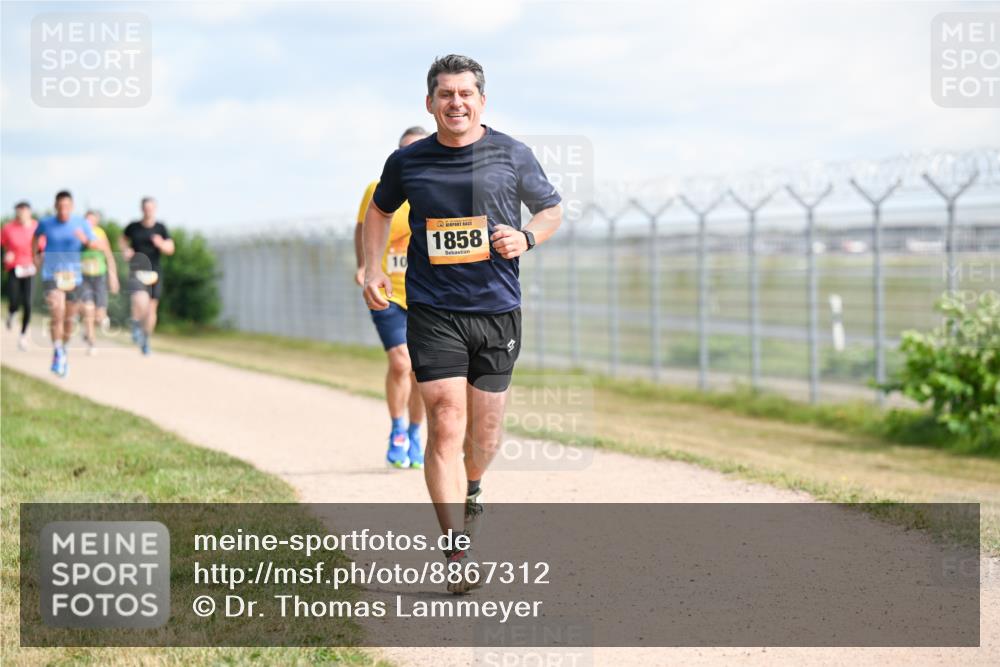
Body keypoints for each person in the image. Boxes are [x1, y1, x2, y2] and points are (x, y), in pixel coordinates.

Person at [362, 55, 562, 593]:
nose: (455, 102)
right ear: (430, 103)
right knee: (446, 420)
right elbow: (379, 212)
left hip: (498, 310)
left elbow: (550, 209)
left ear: (481, 100)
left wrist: (526, 238)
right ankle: (456, 553)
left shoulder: (511, 153)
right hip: (434, 310)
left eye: (465, 93)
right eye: (445, 94)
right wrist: (372, 264)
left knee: (486, 432)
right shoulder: (409, 161)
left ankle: (474, 486)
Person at [355, 126, 429, 469]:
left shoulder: (437, 190)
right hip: (388, 291)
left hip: (427, 293)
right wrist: (365, 266)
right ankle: (397, 428)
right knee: (402, 362)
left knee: (420, 372)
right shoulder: (379, 188)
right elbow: (363, 226)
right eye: (404, 151)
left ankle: (415, 431)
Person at [33, 191, 99, 377]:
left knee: (69, 319)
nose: (63, 210)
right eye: (60, 206)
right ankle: (58, 351)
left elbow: (96, 245)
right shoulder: (46, 223)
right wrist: (36, 256)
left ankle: (64, 347)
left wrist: (85, 240)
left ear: (72, 207)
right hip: (51, 274)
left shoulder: (81, 223)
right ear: (55, 206)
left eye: (67, 206)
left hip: (74, 277)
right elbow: (35, 237)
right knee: (57, 312)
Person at [120, 197, 174, 355]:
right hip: (137, 269)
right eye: (145, 208)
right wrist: (126, 250)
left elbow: (171, 248)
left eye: (151, 208)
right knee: (139, 300)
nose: (148, 210)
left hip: (154, 272)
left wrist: (161, 244)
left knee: (151, 309)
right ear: (141, 209)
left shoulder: (161, 228)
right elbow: (122, 240)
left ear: (155, 209)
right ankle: (136, 325)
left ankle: (146, 338)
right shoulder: (133, 227)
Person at [78, 210, 120, 355]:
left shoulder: (100, 233)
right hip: (83, 277)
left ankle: (89, 331)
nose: (89, 223)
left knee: (99, 316)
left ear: (96, 221)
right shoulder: (78, 233)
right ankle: (91, 343)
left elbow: (108, 255)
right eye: (87, 220)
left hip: (99, 277)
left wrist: (113, 277)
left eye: (92, 220)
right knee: (88, 310)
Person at [2, 201, 38, 350]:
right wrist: (5, 255)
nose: (21, 213)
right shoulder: (8, 228)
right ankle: (11, 313)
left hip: (30, 268)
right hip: (14, 268)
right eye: (19, 211)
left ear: (29, 212)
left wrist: (38, 261)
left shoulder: (37, 227)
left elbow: (41, 248)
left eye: (24, 211)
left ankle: (23, 336)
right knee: (14, 299)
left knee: (28, 303)